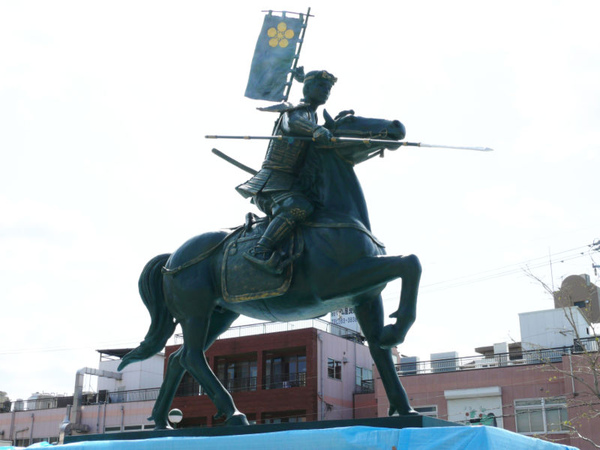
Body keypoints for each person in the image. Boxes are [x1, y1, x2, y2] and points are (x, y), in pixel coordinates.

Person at [236, 70, 337, 274]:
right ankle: (260, 250)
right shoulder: (296, 111)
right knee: (297, 206)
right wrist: (316, 131)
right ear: (307, 88)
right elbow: (292, 124)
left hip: (293, 183)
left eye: (328, 88)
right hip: (273, 182)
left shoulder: (313, 116)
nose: (325, 91)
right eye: (320, 86)